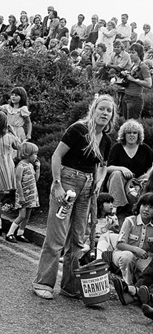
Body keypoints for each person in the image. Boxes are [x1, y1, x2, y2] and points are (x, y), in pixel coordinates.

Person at [33, 94, 116, 300]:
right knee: (57, 237)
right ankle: (42, 283)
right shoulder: (78, 130)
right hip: (67, 182)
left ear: (112, 116)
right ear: (93, 109)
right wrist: (57, 184)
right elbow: (57, 156)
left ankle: (70, 286)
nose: (104, 113)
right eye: (101, 109)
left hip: (88, 187)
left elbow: (103, 166)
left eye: (109, 111)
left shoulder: (106, 140)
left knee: (78, 239)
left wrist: (99, 181)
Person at [106, 119, 153, 224]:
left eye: (134, 133)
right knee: (116, 174)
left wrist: (146, 175)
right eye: (129, 133)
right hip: (119, 181)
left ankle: (140, 210)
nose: (132, 135)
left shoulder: (145, 149)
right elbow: (107, 168)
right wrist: (122, 168)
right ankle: (116, 209)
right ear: (124, 135)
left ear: (138, 135)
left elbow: (151, 167)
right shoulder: (117, 148)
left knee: (148, 180)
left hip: (138, 181)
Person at [110, 193, 153, 305]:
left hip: (143, 258)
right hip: (123, 253)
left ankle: (138, 291)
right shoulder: (130, 221)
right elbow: (120, 244)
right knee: (127, 257)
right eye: (144, 205)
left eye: (151, 207)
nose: (146, 209)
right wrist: (136, 249)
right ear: (139, 206)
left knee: (148, 270)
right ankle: (127, 285)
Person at [6, 142, 41, 243]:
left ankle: (20, 233)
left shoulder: (30, 165)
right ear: (27, 153)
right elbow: (17, 181)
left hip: (31, 195)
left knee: (27, 215)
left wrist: (38, 168)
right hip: (23, 194)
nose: (36, 156)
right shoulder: (21, 166)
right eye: (35, 154)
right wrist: (21, 196)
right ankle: (10, 233)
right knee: (22, 215)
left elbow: (35, 180)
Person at [121, 43, 152, 119]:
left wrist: (134, 80)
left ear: (139, 54)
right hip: (126, 96)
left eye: (133, 52)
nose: (130, 55)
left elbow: (149, 84)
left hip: (135, 99)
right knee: (126, 124)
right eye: (130, 52)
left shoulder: (143, 67)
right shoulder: (133, 65)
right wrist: (125, 74)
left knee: (132, 125)